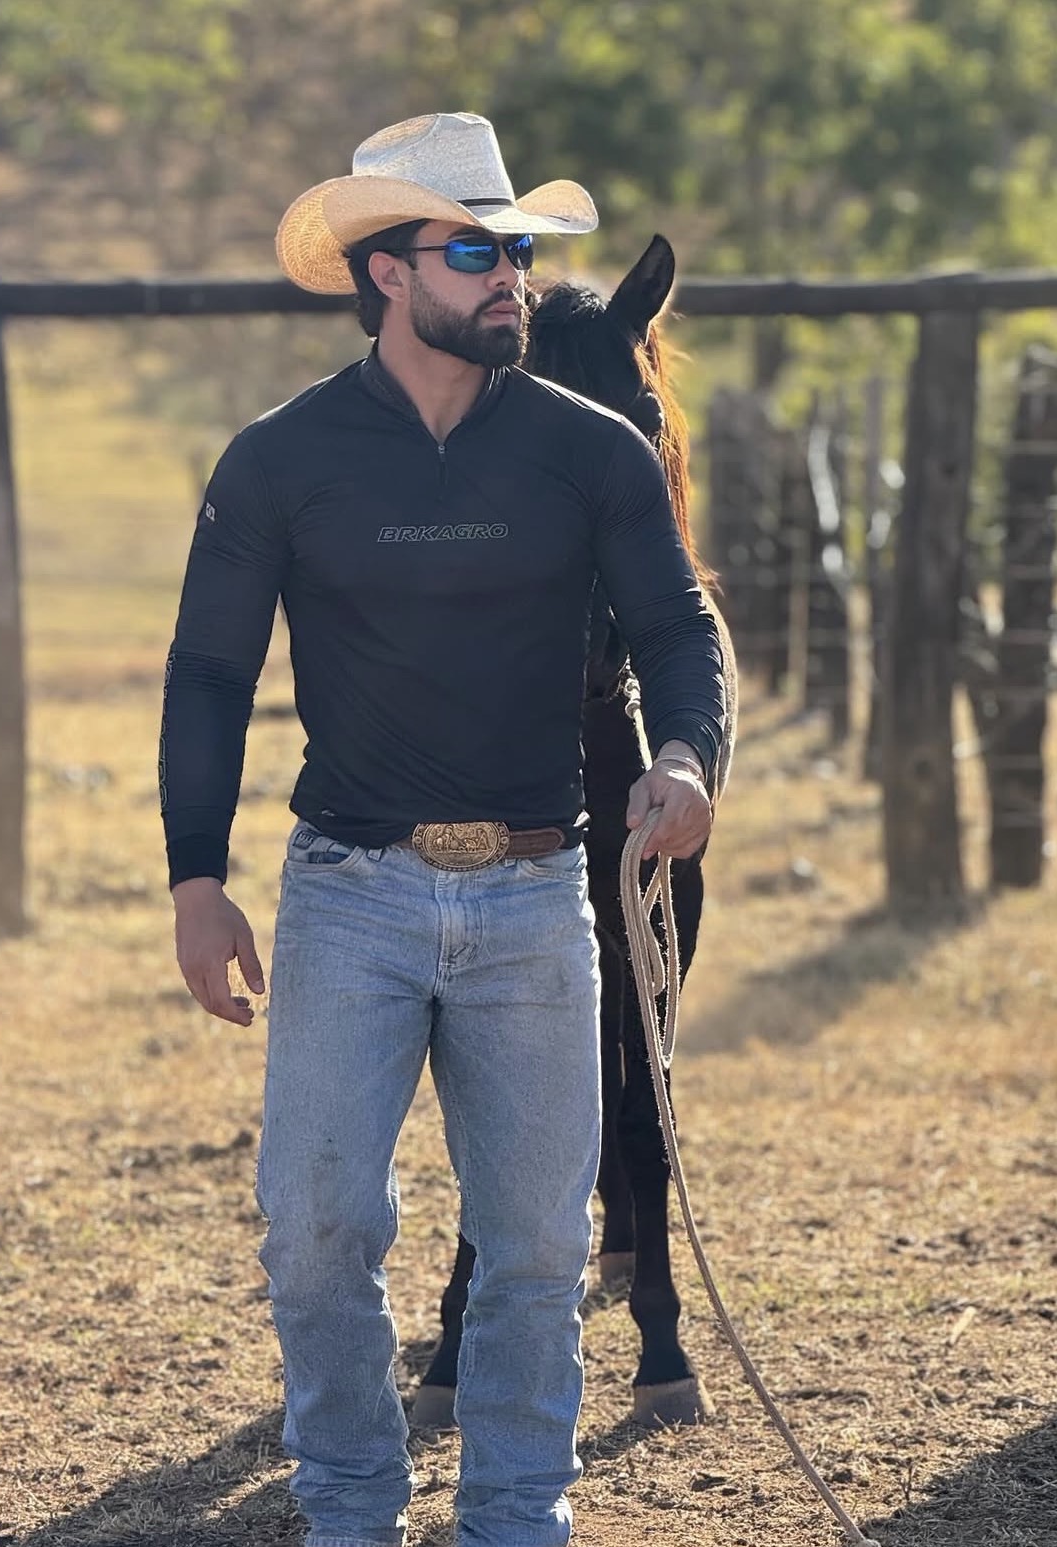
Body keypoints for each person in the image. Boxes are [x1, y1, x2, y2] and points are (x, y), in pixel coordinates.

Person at [160, 111, 727, 1547]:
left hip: (537, 893)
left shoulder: (593, 453)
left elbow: (679, 625)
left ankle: (517, 1517)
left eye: (516, 252)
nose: (510, 279)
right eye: (475, 253)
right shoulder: (282, 459)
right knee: (317, 1232)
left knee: (536, 1246)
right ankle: (351, 1508)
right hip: (348, 890)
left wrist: (684, 754)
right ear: (386, 273)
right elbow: (210, 671)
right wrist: (195, 877)